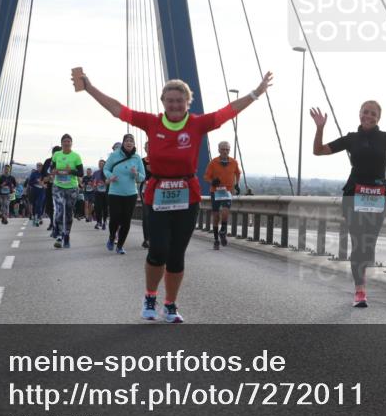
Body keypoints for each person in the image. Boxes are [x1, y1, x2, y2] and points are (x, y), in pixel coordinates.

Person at [81, 70, 273, 323]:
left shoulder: (197, 124)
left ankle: (170, 304)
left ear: (187, 102)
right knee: (158, 249)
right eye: (170, 100)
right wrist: (89, 88)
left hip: (187, 196)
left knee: (176, 254)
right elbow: (117, 109)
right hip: (158, 194)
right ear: (163, 101)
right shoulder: (152, 122)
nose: (174, 105)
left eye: (179, 100)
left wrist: (256, 93)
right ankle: (150, 297)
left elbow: (228, 111)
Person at [311, 101, 386, 307]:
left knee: (368, 246)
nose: (368, 116)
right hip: (353, 196)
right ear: (359, 114)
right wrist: (320, 128)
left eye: (373, 114)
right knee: (358, 243)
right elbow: (318, 151)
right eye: (365, 112)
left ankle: (361, 280)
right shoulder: (351, 139)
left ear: (378, 118)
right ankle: (360, 291)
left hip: (377, 197)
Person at [102, 134, 146, 255]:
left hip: (131, 194)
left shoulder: (137, 158)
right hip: (115, 193)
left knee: (126, 221)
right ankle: (112, 236)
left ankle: (120, 245)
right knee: (115, 218)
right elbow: (106, 169)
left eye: (131, 141)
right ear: (123, 143)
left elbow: (142, 177)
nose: (129, 143)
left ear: (134, 144)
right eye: (127, 141)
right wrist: (110, 176)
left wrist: (136, 173)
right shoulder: (114, 155)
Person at [204, 141, 241, 250]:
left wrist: (237, 184)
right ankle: (216, 240)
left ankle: (223, 231)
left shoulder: (234, 162)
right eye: (223, 149)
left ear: (229, 150)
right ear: (219, 150)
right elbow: (206, 176)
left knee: (225, 212)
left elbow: (238, 173)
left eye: (227, 149)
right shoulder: (213, 162)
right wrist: (212, 181)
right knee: (216, 217)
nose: (225, 151)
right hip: (215, 191)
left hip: (227, 191)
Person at [51, 134, 83, 249]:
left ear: (71, 143)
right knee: (59, 210)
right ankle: (59, 235)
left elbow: (81, 173)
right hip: (58, 186)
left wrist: (71, 171)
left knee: (68, 213)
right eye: (64, 141)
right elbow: (52, 168)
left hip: (72, 188)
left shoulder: (76, 156)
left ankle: (67, 234)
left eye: (68, 141)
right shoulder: (56, 155)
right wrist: (54, 171)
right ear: (61, 143)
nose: (66, 143)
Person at [140, 141, 152, 249]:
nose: (149, 148)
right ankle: (146, 239)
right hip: (145, 189)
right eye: (147, 147)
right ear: (145, 149)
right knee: (146, 214)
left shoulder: (159, 160)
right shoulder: (141, 161)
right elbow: (139, 175)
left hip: (158, 189)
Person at [91, 159, 109, 230]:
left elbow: (111, 181)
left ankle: (104, 222)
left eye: (102, 164)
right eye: (100, 164)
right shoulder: (95, 173)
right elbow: (92, 182)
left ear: (105, 165)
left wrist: (106, 182)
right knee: (98, 208)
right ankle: (99, 222)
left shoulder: (107, 172)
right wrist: (94, 184)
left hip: (105, 193)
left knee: (105, 208)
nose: (101, 165)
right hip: (97, 192)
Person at [27, 161, 45, 226]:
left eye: (40, 166)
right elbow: (30, 182)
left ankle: (39, 217)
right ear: (36, 167)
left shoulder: (44, 173)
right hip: (34, 190)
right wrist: (36, 181)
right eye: (38, 166)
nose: (39, 167)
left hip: (42, 191)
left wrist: (43, 183)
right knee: (34, 205)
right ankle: (35, 217)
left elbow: (47, 181)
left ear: (42, 167)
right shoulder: (34, 173)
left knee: (39, 204)